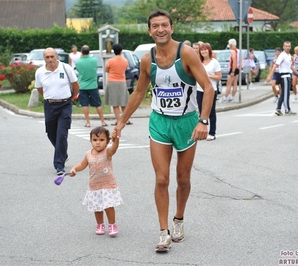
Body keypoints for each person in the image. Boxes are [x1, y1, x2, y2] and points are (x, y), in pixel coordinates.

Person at [114, 9, 213, 253]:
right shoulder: (147, 59)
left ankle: (178, 220)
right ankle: (163, 232)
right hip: (159, 121)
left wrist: (203, 121)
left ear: (171, 28)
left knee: (183, 178)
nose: (160, 29)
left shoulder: (186, 53)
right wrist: (121, 122)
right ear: (149, 30)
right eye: (155, 26)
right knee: (161, 178)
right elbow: (138, 92)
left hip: (186, 123)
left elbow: (208, 88)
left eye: (164, 25)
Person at [70, 126, 123, 236]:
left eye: (101, 140)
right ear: (90, 141)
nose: (98, 143)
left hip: (107, 185)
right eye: (95, 140)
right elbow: (82, 165)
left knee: (108, 206)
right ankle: (100, 224)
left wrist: (116, 138)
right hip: (94, 186)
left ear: (107, 142)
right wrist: (75, 168)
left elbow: (115, 147)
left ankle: (112, 225)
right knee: (97, 207)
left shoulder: (108, 152)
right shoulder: (88, 154)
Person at [35, 48, 79, 175]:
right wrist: (50, 97)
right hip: (50, 105)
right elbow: (39, 89)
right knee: (50, 133)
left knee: (61, 134)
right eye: (47, 57)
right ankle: (63, 154)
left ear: (56, 57)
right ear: (44, 59)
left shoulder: (66, 68)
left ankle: (59, 165)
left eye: (52, 57)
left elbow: (75, 85)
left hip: (65, 105)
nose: (50, 60)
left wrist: (71, 98)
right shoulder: (39, 72)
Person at [75, 45, 108, 128]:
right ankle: (103, 121)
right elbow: (95, 69)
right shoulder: (94, 60)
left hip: (82, 85)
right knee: (97, 104)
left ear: (82, 52)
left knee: (84, 104)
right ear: (89, 52)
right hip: (93, 84)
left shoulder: (78, 62)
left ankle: (88, 122)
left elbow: (78, 70)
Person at [266, 41, 298, 116]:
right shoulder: (282, 55)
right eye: (286, 46)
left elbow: (291, 67)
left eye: (289, 46)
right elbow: (275, 65)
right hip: (284, 76)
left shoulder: (288, 55)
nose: (288, 48)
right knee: (286, 94)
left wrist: (297, 74)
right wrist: (270, 76)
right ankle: (287, 110)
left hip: (288, 75)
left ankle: (278, 109)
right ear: (283, 47)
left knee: (285, 93)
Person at [197, 42, 221, 141]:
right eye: (202, 50)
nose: (203, 51)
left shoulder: (214, 62)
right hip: (199, 89)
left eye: (205, 49)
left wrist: (209, 76)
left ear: (209, 50)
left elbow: (219, 76)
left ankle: (212, 133)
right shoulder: (198, 62)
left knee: (211, 111)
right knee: (201, 111)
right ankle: (202, 132)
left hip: (211, 90)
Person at [104, 44, 132, 126]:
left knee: (115, 103)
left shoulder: (110, 61)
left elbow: (107, 70)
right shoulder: (125, 60)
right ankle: (126, 119)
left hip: (112, 81)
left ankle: (118, 120)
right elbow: (126, 68)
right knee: (123, 101)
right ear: (121, 51)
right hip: (122, 81)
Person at [220, 38, 239, 103]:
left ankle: (225, 97)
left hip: (233, 68)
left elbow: (234, 61)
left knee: (229, 83)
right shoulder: (237, 50)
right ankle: (232, 97)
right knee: (235, 83)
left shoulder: (233, 51)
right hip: (237, 68)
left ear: (231, 44)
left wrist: (233, 71)